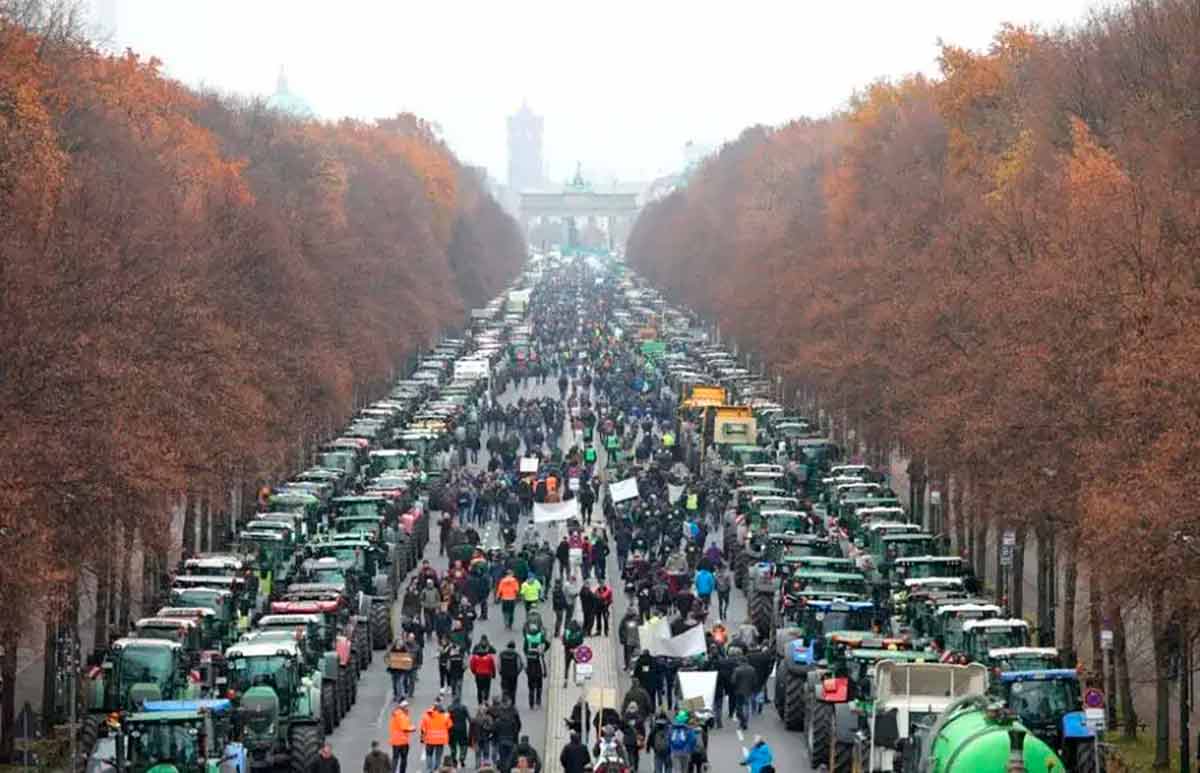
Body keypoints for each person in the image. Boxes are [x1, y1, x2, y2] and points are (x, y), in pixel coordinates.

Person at [419, 699, 452, 772]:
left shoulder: (426, 716)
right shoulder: (445, 716)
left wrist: (422, 738)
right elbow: (450, 726)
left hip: (429, 740)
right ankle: (437, 769)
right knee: (438, 755)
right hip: (441, 739)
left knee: (429, 754)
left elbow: (422, 729)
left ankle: (429, 769)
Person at [389, 700, 415, 773]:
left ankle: (392, 771)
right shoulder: (401, 715)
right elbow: (404, 728)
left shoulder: (397, 714)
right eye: (406, 706)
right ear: (402, 707)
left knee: (395, 758)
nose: (407, 707)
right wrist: (412, 728)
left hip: (395, 741)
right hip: (403, 741)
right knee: (403, 759)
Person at [447, 696, 471, 769]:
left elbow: (446, 718)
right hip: (462, 729)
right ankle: (462, 757)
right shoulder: (463, 708)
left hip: (452, 729)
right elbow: (469, 718)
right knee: (463, 745)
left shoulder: (449, 708)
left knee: (452, 745)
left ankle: (454, 759)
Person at [562, 617, 585, 687]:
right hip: (576, 650)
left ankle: (565, 681)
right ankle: (578, 681)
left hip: (567, 651)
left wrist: (569, 648)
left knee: (567, 666)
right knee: (578, 666)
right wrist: (576, 647)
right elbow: (581, 641)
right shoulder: (580, 631)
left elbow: (564, 641)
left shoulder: (567, 630)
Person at [525, 645, 544, 709]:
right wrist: (544, 672)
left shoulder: (528, 654)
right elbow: (542, 663)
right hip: (538, 674)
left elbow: (525, 665)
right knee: (539, 688)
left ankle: (531, 704)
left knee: (531, 689)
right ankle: (538, 701)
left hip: (530, 675)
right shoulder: (539, 654)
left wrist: (527, 672)